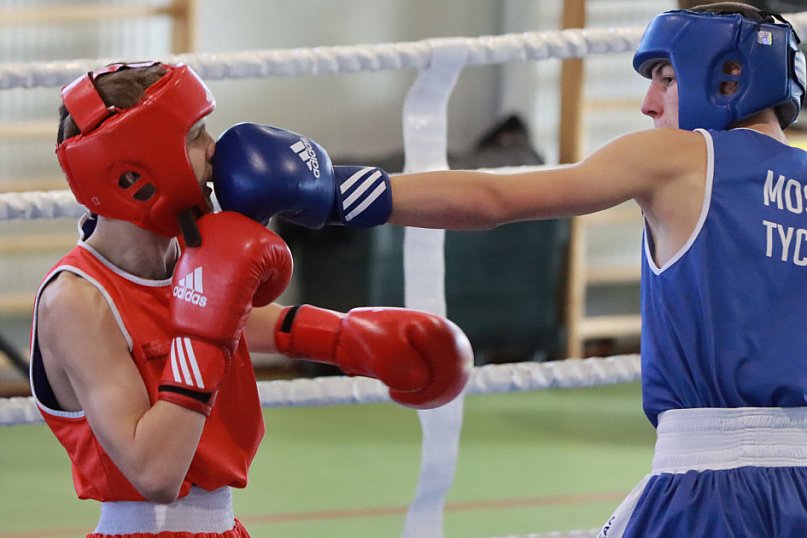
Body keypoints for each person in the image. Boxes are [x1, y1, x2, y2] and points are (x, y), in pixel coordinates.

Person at [210, 3, 807, 536]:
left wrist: (330, 192)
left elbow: (496, 199)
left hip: (713, 487)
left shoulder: (677, 155)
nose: (650, 102)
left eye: (667, 78)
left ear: (728, 76)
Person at [31, 61, 473, 538]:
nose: (215, 150)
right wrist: (206, 333)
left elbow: (243, 320)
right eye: (195, 135)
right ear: (138, 164)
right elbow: (154, 472)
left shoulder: (185, 259)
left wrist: (350, 339)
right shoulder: (76, 301)